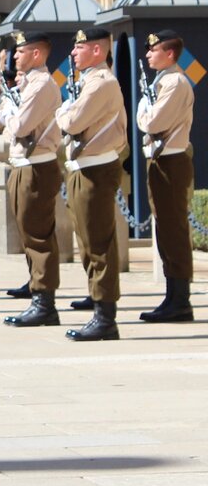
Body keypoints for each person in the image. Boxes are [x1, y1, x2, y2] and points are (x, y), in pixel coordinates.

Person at [57, 27, 127, 341]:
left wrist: (61, 111)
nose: (73, 53)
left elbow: (72, 122)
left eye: (79, 47)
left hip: (97, 168)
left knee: (99, 244)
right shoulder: (91, 82)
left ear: (96, 50)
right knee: (88, 243)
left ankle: (105, 318)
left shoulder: (101, 83)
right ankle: (98, 302)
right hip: (85, 167)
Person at [0, 32, 64, 327]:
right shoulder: (29, 84)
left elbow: (20, 126)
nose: (15, 57)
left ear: (36, 54)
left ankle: (44, 302)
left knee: (38, 236)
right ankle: (37, 291)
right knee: (29, 233)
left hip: (37, 165)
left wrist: (11, 115)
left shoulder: (41, 85)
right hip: (25, 163)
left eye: (21, 52)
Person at [136, 29, 196, 323]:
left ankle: (181, 300)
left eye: (153, 50)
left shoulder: (175, 83)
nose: (148, 54)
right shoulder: (161, 81)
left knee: (173, 230)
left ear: (169, 54)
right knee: (165, 230)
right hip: (161, 161)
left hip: (172, 161)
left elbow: (151, 122)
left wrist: (143, 112)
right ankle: (173, 296)